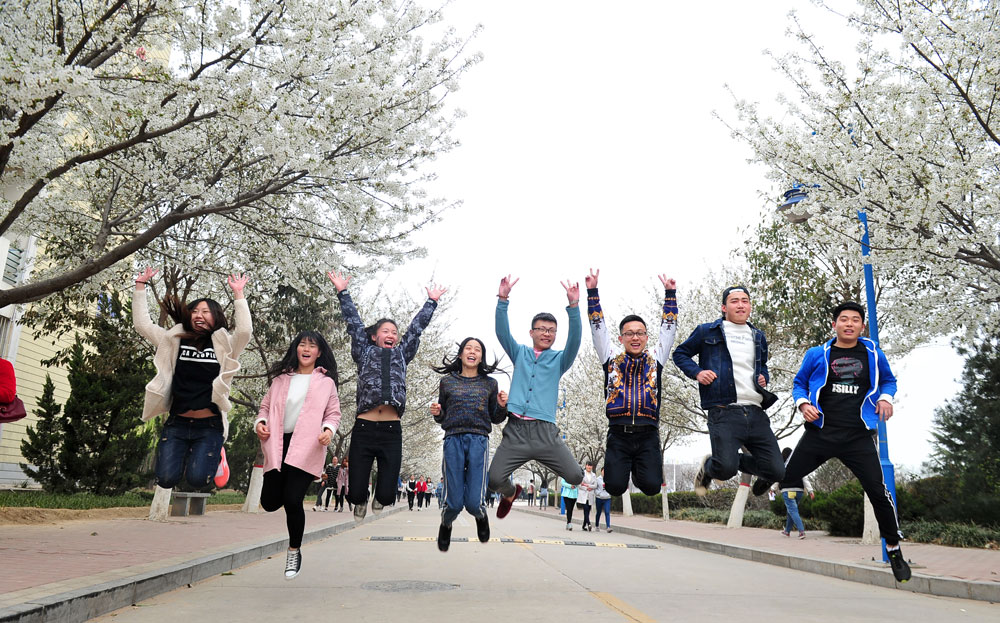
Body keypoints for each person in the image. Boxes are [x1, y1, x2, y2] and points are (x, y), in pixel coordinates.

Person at [754, 301, 911, 583]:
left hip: (858, 437)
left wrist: (886, 397)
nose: (849, 324)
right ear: (834, 324)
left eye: (854, 320)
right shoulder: (818, 354)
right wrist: (803, 405)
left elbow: (888, 381)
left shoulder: (873, 354)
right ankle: (769, 473)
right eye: (843, 319)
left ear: (862, 326)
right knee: (785, 474)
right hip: (821, 433)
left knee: (879, 492)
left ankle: (894, 548)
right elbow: (799, 383)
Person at [327, 271, 445, 521]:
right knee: (356, 489)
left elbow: (416, 330)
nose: (391, 335)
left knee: (388, 494)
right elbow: (353, 323)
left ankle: (381, 498)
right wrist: (342, 292)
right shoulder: (364, 351)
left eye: (394, 332)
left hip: (392, 429)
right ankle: (358, 500)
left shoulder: (402, 354)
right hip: (364, 426)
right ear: (374, 336)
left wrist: (431, 302)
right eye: (385, 331)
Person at [133, 268, 252, 491]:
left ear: (215, 317)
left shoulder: (225, 344)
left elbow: (244, 332)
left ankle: (217, 456)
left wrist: (239, 295)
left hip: (209, 425)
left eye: (206, 312)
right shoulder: (173, 340)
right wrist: (140, 286)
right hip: (177, 422)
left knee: (198, 481)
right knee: (166, 480)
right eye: (195, 311)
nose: (199, 315)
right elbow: (143, 325)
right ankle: (199, 456)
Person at [672, 285, 783, 496]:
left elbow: (763, 366)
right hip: (724, 409)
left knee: (777, 471)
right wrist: (697, 372)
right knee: (725, 469)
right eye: (734, 301)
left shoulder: (758, 336)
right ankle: (711, 466)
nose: (740, 305)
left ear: (750, 306)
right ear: (724, 307)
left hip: (756, 410)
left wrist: (764, 377)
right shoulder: (707, 331)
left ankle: (723, 459)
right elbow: (680, 354)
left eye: (745, 300)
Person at [489, 275, 584, 519]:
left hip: (545, 433)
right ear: (531, 332)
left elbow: (574, 340)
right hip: (516, 432)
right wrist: (503, 299)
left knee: (575, 476)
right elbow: (502, 333)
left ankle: (546, 462)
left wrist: (573, 307)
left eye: (552, 330)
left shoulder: (559, 359)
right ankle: (510, 493)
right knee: (494, 479)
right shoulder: (519, 352)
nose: (547, 333)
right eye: (542, 329)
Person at [255, 331, 342, 580]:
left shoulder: (326, 383)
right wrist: (260, 422)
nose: (306, 349)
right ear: (296, 349)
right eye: (302, 344)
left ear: (319, 353)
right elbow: (264, 406)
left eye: (311, 346)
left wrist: (328, 430)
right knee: (271, 503)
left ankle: (294, 550)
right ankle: (282, 489)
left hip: (307, 446)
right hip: (278, 444)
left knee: (293, 500)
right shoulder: (281, 379)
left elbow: (333, 413)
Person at [586, 269, 677, 496]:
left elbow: (668, 330)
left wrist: (670, 295)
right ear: (621, 338)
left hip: (648, 433)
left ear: (646, 337)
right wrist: (592, 293)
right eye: (629, 334)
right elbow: (598, 329)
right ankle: (625, 467)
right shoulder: (611, 358)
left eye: (639, 333)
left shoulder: (655, 358)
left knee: (651, 487)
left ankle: (638, 469)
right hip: (619, 433)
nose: (634, 337)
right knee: (615, 487)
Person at [430, 336, 509, 551]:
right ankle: (446, 524)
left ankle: (481, 517)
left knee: (474, 502)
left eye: (477, 349)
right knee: (454, 503)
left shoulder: (490, 384)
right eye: (468, 348)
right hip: (453, 439)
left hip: (479, 440)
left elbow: (496, 417)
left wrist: (502, 405)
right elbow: (443, 415)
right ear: (461, 354)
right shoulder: (447, 382)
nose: (472, 351)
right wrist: (438, 413)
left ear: (481, 356)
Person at [772, 448, 813, 539]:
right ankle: (787, 531)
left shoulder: (782, 466)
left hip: (788, 491)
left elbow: (778, 479)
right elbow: (805, 478)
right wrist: (810, 491)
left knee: (793, 511)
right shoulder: (798, 465)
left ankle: (801, 532)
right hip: (799, 492)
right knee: (791, 511)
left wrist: (772, 489)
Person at [577, 462, 598, 531]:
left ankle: (583, 525)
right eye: (588, 465)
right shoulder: (582, 474)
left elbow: (595, 485)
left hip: (590, 494)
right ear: (586, 466)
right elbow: (580, 485)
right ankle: (589, 523)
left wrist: (587, 486)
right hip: (583, 494)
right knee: (585, 508)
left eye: (590, 466)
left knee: (588, 510)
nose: (589, 467)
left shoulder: (594, 475)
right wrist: (586, 488)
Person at [594, 468, 612, 532]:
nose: (604, 473)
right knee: (598, 512)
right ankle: (597, 525)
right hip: (599, 498)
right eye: (603, 471)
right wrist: (598, 493)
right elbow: (595, 488)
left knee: (607, 512)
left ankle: (608, 527)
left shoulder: (610, 479)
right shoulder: (598, 479)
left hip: (607, 498)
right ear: (601, 471)